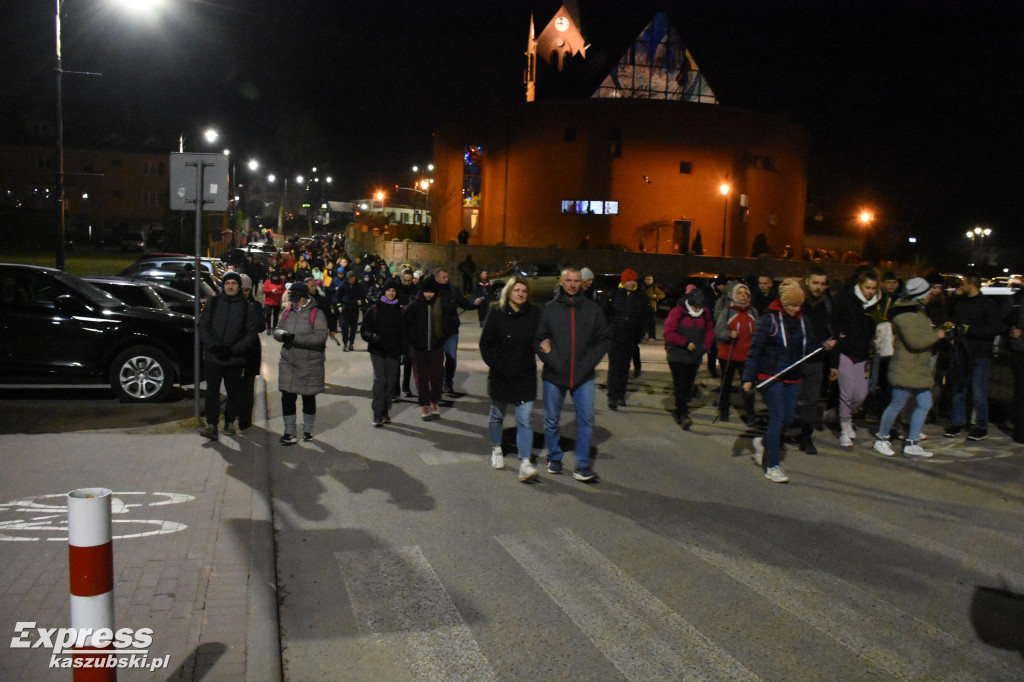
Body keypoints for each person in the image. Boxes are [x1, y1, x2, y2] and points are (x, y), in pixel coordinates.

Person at [743, 279, 835, 483]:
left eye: (799, 305)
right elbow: (755, 351)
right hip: (771, 376)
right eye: (793, 305)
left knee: (786, 419)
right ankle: (772, 465)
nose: (796, 309)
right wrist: (749, 377)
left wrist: (823, 346)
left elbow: (808, 347)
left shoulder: (803, 321)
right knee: (777, 418)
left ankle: (764, 442)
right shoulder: (769, 320)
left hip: (794, 376)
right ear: (783, 303)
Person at [534, 266, 609, 482]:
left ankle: (582, 465)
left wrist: (589, 362)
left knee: (586, 420)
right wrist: (549, 356)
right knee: (551, 420)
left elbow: (603, 338)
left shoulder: (593, 310)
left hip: (583, 376)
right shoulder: (549, 310)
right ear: (561, 282)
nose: (572, 284)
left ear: (582, 282)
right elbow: (538, 339)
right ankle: (554, 456)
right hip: (555, 375)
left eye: (576, 280)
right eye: (568, 280)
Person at [872, 278, 947, 458]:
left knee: (924, 404)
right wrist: (938, 334)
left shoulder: (916, 311)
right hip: (906, 368)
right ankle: (881, 439)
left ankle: (912, 443)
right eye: (927, 292)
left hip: (917, 368)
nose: (931, 295)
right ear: (919, 295)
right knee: (897, 404)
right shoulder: (905, 315)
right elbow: (916, 342)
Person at [480, 276, 542, 481]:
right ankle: (497, 448)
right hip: (501, 373)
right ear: (509, 291)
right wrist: (497, 365)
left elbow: (539, 341)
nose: (520, 293)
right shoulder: (497, 311)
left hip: (525, 375)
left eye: (524, 291)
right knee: (497, 414)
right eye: (516, 290)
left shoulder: (534, 313)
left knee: (524, 419)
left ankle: (525, 462)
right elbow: (486, 343)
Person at [198, 272, 261, 439]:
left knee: (233, 393)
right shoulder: (214, 302)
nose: (230, 286)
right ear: (223, 285)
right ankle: (212, 425)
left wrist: (233, 350)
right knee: (212, 392)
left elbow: (250, 333)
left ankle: (229, 422)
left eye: (234, 283)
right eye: (227, 283)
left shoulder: (247, 307)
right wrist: (212, 346)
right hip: (213, 357)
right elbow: (203, 326)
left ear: (239, 286)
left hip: (235, 359)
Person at [944, 273, 1002, 440]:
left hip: (980, 354)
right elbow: (956, 322)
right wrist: (952, 331)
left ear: (971, 284)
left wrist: (971, 330)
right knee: (959, 389)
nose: (961, 286)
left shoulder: (987, 304)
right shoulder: (961, 303)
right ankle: (956, 423)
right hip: (961, 352)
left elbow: (995, 328)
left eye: (964, 283)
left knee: (978, 390)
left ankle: (981, 426)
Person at [272, 282, 329, 444]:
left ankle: (308, 430)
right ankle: (289, 432)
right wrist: (282, 335)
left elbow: (320, 337)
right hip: (288, 362)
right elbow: (276, 329)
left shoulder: (316, 314)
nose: (295, 302)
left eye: (298, 299)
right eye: (293, 298)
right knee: (287, 397)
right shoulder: (287, 311)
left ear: (305, 297)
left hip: (310, 363)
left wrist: (295, 338)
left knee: (308, 397)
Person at [833, 269, 880, 447]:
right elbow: (836, 320)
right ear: (860, 286)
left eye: (873, 288)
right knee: (846, 393)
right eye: (867, 287)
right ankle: (844, 429)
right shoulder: (847, 299)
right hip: (845, 352)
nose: (870, 291)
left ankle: (848, 417)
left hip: (863, 354)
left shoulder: (875, 306)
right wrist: (838, 336)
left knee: (861, 394)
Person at [794, 266, 838, 453]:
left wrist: (833, 364)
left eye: (822, 284)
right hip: (793, 360)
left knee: (811, 402)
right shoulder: (796, 301)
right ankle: (778, 433)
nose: (819, 287)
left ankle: (806, 437)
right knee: (788, 399)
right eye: (815, 283)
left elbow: (833, 335)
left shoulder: (827, 305)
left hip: (816, 361)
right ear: (806, 282)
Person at [405, 276, 458, 420]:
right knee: (421, 378)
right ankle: (424, 405)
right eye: (426, 292)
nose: (429, 295)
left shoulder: (440, 305)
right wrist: (414, 341)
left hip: (436, 348)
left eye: (431, 292)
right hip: (419, 349)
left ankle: (435, 402)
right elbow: (406, 326)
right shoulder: (414, 306)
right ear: (421, 291)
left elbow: (451, 322)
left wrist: (441, 338)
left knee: (436, 377)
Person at [664, 285, 714, 429]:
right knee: (680, 384)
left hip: (695, 356)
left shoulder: (705, 313)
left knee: (687, 385)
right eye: (695, 306)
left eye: (699, 306)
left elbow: (710, 330)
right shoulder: (677, 312)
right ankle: (682, 414)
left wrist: (705, 347)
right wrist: (685, 343)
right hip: (677, 355)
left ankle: (680, 406)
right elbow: (668, 333)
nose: (697, 309)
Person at [602, 268, 651, 410]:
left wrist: (647, 334)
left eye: (633, 280)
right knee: (614, 367)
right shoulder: (614, 294)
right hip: (614, 337)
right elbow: (604, 314)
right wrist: (607, 331)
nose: (631, 283)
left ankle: (621, 395)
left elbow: (647, 316)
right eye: (628, 280)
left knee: (624, 368)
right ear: (623, 281)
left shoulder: (640, 296)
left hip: (630, 338)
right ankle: (612, 396)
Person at [361, 280, 406, 427]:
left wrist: (404, 349)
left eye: (393, 291)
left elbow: (405, 332)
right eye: (388, 290)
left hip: (393, 351)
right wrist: (373, 336)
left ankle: (386, 412)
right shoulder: (375, 309)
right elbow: (364, 330)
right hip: (377, 350)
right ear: (384, 292)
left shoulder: (400, 311)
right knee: (380, 381)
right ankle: (377, 414)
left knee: (391, 382)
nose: (391, 293)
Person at [714, 281, 757, 424]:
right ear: (734, 295)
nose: (743, 296)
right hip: (729, 354)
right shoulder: (727, 311)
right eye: (739, 293)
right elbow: (718, 331)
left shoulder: (753, 312)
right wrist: (728, 334)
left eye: (746, 294)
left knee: (748, 385)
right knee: (726, 384)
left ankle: (750, 414)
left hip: (746, 356)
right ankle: (724, 410)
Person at [433, 267, 476, 395]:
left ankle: (448, 382)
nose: (447, 279)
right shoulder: (431, 290)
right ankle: (437, 382)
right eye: (444, 277)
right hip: (436, 330)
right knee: (436, 358)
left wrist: (475, 304)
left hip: (451, 330)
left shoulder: (453, 290)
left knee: (451, 357)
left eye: (447, 277)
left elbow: (464, 303)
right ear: (436, 278)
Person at [238, 274, 267, 430]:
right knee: (234, 384)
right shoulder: (231, 304)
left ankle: (245, 419)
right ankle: (234, 414)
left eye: (248, 290)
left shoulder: (255, 305)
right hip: (235, 350)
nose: (245, 293)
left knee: (248, 386)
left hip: (251, 350)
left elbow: (261, 326)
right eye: (242, 289)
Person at [1005, 284, 1024, 444]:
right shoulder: (1016, 299)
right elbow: (1004, 320)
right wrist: (1010, 331)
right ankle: (1020, 431)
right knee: (1020, 392)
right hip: (1019, 351)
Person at [335, 270, 363, 352]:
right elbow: (337, 297)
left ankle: (351, 343)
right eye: (350, 278)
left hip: (354, 309)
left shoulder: (358, 286)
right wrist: (339, 306)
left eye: (353, 278)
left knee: (353, 327)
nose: (352, 280)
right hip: (345, 309)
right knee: (345, 327)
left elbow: (363, 296)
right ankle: (345, 343)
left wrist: (361, 301)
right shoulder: (343, 286)